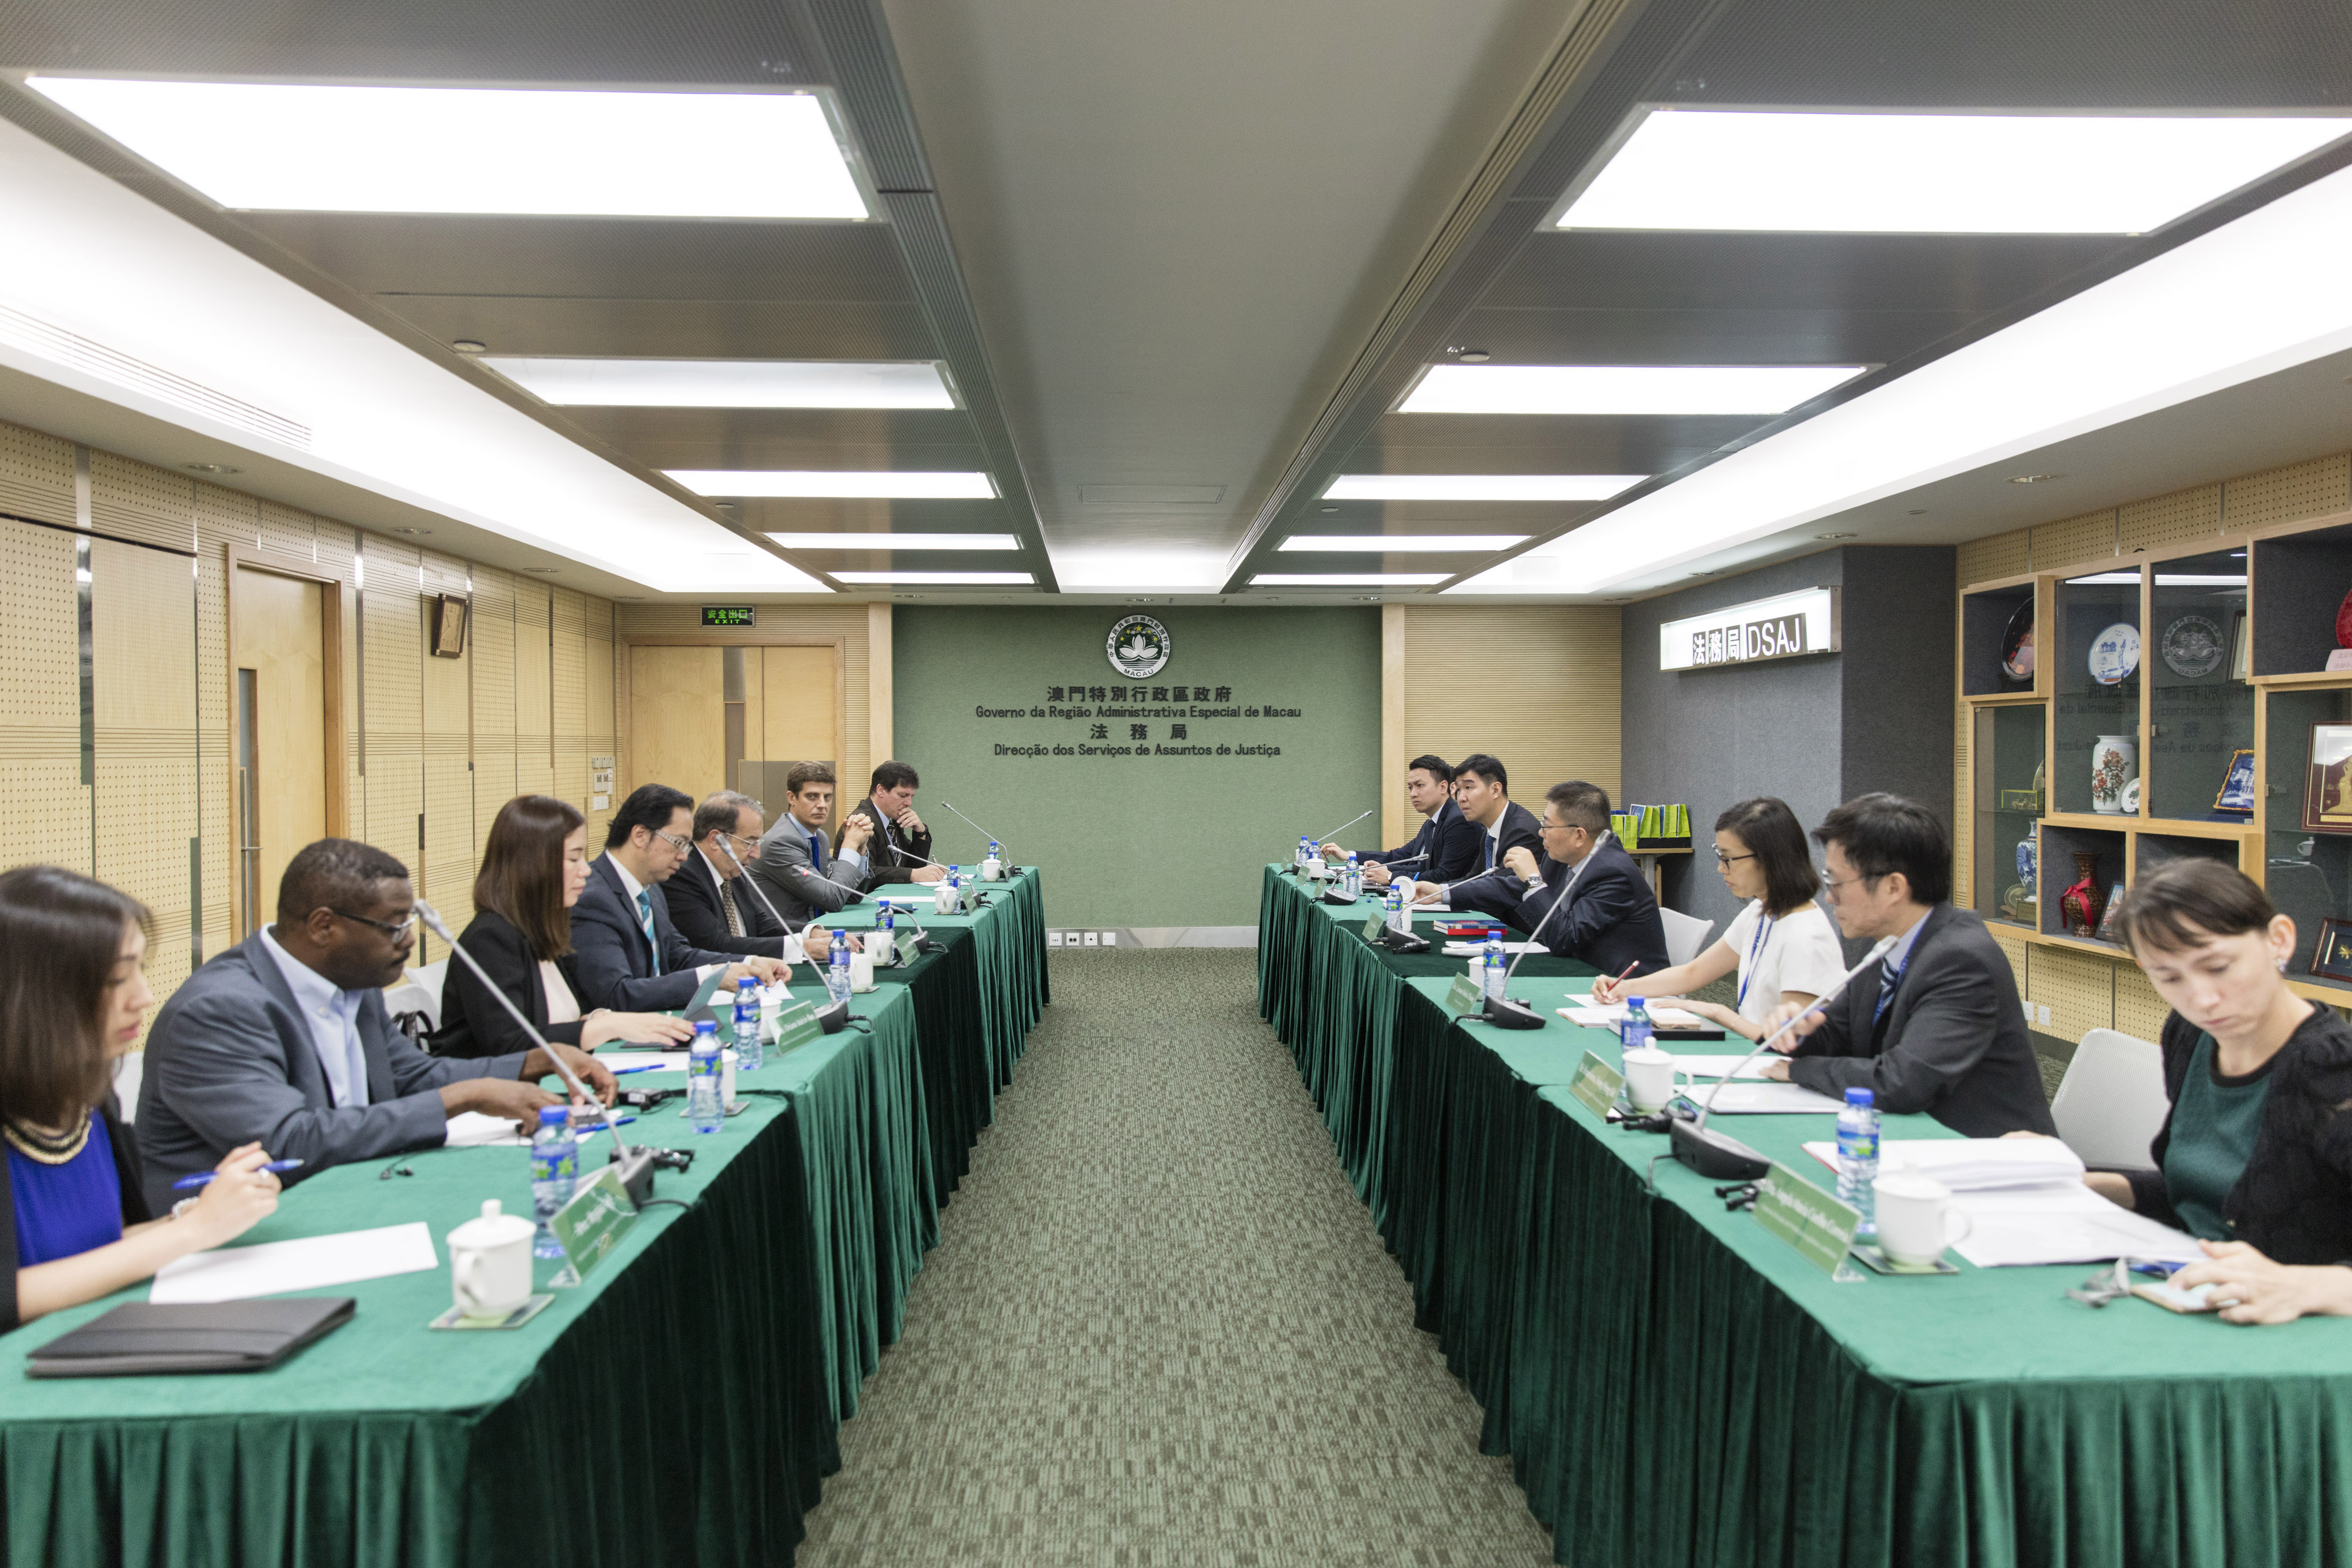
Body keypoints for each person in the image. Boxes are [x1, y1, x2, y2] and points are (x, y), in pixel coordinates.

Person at [138, 839, 619, 1211]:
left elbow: (410, 1075)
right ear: (324, 926)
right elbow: (290, 1142)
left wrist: (535, 1061)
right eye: (394, 925)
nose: (408, 940)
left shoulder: (352, 980)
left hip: (346, 1194)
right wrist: (466, 1096)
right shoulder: (218, 1010)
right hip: (232, 1238)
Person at [0, 866, 280, 1328]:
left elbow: (99, 1250)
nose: (144, 997)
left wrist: (205, 1211)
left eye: (141, 971)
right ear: (32, 994)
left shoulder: (90, 1095)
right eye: (116, 978)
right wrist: (193, 1230)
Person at [2079, 861, 2352, 1324]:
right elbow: (2207, 1194)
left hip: (2299, 1330)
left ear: (2278, 940)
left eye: (2218, 967)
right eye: (2170, 978)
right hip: (2191, 1290)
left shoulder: (2334, 1070)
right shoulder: (2191, 1034)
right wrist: (2085, 1184)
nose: (2202, 999)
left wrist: (2303, 1287)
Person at [1755, 794, 2054, 1138]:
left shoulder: (1963, 961)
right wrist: (1793, 1030)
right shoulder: (1887, 941)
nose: (1829, 896)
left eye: (1836, 882)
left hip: (1991, 1154)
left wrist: (1799, 1071)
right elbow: (1837, 1036)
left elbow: (1903, 1082)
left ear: (1893, 887)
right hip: (1916, 1138)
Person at [429, 795, 697, 1059]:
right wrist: (606, 1026)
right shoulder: (491, 938)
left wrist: (600, 1019)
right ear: (532, 863)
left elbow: (564, 1018)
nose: (586, 870)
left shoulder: (543, 930)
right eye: (573, 859)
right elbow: (510, 1046)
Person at [1592, 797, 1845, 1036]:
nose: (1721, 868)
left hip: (1773, 1060)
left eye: (1728, 858)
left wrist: (1718, 1013)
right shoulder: (1760, 911)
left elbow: (1791, 1043)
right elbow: (1694, 973)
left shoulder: (1806, 937)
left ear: (1770, 859)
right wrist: (1625, 987)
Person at [570, 785, 790, 1013]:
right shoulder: (590, 898)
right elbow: (617, 995)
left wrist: (748, 963)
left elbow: (678, 956)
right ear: (640, 836)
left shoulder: (652, 890)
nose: (684, 856)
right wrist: (711, 976)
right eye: (678, 843)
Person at [1496, 780, 1668, 975]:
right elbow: (1515, 888)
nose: (1540, 832)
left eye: (1547, 826)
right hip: (1583, 972)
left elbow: (1564, 938)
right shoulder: (1561, 858)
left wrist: (1534, 880)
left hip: (1625, 984)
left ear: (1579, 836)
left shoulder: (1613, 873)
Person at [1323, 754, 1481, 888]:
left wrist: (1391, 877)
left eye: (1420, 786)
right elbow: (1401, 857)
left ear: (1443, 787)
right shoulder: (1431, 823)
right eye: (1410, 787)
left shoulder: (1459, 821)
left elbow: (1444, 876)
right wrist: (1350, 856)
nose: (1413, 794)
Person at [1409, 754, 1541, 912]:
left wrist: (1441, 893)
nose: (1461, 798)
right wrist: (1437, 890)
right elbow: (1473, 878)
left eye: (1468, 788)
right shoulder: (1489, 830)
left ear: (1495, 790)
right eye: (1458, 790)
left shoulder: (1521, 831)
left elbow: (1502, 889)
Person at [751, 763, 871, 924]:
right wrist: (849, 845)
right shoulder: (780, 843)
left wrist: (860, 849)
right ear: (792, 798)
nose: (822, 805)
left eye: (827, 797)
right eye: (812, 797)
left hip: (814, 931)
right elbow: (832, 900)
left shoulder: (819, 838)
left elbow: (851, 896)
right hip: (785, 934)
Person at [841, 762, 946, 885]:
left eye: (911, 796)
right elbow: (866, 873)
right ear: (881, 790)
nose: (909, 803)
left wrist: (921, 832)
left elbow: (913, 866)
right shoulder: (862, 822)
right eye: (903, 795)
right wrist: (912, 874)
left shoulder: (893, 821)